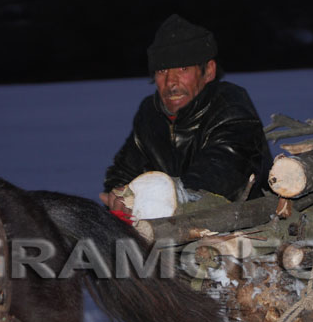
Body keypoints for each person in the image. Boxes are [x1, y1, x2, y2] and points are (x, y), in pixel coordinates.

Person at [100, 14, 272, 214]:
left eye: (183, 69)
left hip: (240, 228)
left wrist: (155, 197)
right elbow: (124, 169)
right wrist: (118, 193)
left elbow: (219, 177)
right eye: (162, 70)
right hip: (170, 226)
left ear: (208, 71)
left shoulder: (231, 106)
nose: (171, 82)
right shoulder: (150, 113)